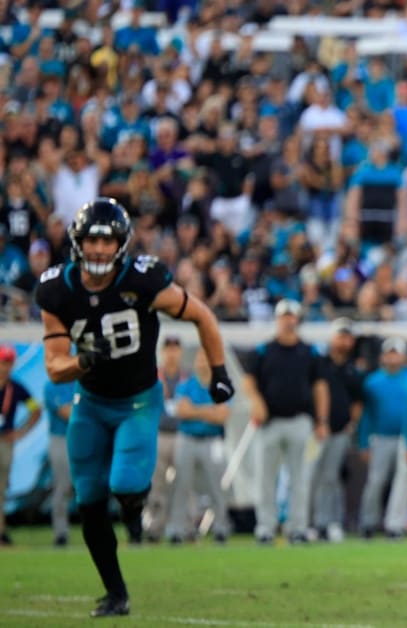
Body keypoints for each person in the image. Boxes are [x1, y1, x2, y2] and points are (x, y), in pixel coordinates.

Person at [35, 198, 235, 617]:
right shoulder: (57, 289)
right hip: (89, 403)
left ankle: (132, 512)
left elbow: (203, 316)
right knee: (88, 500)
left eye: (108, 243)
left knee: (126, 484)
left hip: (138, 401)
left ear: (121, 245)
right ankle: (116, 592)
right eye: (92, 241)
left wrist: (219, 371)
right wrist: (85, 361)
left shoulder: (143, 280)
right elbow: (55, 369)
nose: (99, 251)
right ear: (78, 243)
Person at [243, 298, 330, 545]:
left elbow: (320, 387)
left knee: (299, 479)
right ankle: (266, 527)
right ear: (278, 320)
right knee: (265, 479)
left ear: (297, 320)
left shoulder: (309, 352)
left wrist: (321, 420)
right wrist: (256, 402)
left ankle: (297, 527)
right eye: (284, 316)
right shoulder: (263, 350)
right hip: (270, 422)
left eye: (292, 316)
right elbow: (249, 381)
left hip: (300, 421)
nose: (288, 321)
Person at [165, 350, 232, 544]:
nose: (202, 362)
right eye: (200, 358)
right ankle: (178, 529)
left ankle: (221, 528)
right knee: (181, 485)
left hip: (212, 440)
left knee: (216, 486)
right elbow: (181, 411)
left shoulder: (221, 385)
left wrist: (195, 411)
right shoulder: (186, 385)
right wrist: (208, 411)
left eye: (206, 358)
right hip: (188, 438)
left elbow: (222, 415)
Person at [312, 318, 364, 543]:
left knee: (331, 478)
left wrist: (350, 424)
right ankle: (310, 523)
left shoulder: (353, 369)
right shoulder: (319, 363)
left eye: (347, 336)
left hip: (339, 431)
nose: (343, 340)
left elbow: (357, 402)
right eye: (340, 336)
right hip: (315, 431)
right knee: (311, 477)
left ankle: (329, 522)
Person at [359, 337, 407, 538]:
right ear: (383, 356)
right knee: (376, 481)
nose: (393, 357)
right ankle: (368, 523)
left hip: (406, 437)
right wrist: (363, 442)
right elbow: (366, 415)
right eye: (389, 353)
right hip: (381, 438)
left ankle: (395, 525)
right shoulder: (373, 381)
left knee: (403, 483)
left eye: (397, 353)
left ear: (404, 356)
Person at [144, 335, 186, 543]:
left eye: (175, 349)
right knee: (157, 484)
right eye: (168, 349)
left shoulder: (186, 378)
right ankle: (155, 527)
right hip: (159, 433)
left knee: (181, 484)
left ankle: (179, 528)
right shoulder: (154, 377)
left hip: (181, 434)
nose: (172, 354)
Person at [1, 344, 41, 547]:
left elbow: (35, 409)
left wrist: (22, 432)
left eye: (8, 363)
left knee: (1, 488)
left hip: (5, 442)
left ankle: (1, 531)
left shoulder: (15, 387)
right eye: (2, 362)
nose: (5, 367)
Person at [43, 379, 76, 546]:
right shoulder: (53, 384)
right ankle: (61, 532)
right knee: (63, 485)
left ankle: (97, 531)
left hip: (85, 438)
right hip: (61, 438)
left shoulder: (82, 382)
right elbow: (66, 411)